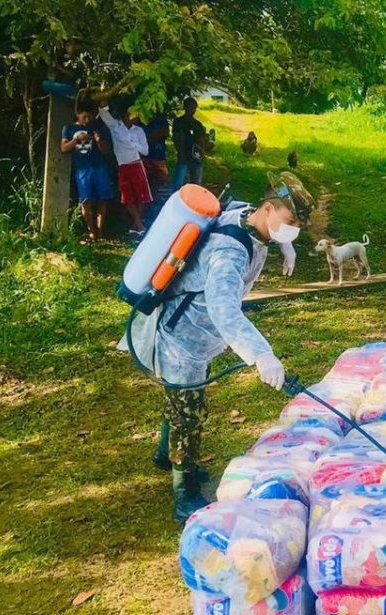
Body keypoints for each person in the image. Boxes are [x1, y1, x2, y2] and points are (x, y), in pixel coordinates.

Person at [131, 187, 301, 523]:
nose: (294, 229)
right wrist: (261, 355)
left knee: (181, 399)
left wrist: (285, 243)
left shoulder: (248, 217)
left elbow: (246, 214)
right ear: (268, 209)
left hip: (198, 333)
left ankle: (165, 455)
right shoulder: (229, 253)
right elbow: (225, 310)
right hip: (183, 338)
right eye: (290, 222)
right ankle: (185, 495)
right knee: (189, 414)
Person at [98, 99, 152, 238]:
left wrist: (134, 145)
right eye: (133, 114)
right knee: (127, 197)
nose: (136, 117)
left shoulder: (139, 131)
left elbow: (145, 151)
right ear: (126, 115)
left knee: (142, 197)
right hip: (123, 165)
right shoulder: (116, 126)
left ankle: (137, 226)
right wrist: (104, 102)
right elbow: (104, 114)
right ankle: (139, 225)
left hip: (136, 164)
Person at [61, 99, 113, 242]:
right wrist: (77, 140)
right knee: (85, 201)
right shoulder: (69, 128)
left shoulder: (96, 126)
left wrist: (98, 140)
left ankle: (100, 231)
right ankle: (91, 232)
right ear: (77, 114)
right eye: (84, 117)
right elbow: (64, 148)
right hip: (82, 169)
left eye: (89, 116)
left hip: (100, 167)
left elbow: (107, 151)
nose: (87, 120)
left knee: (103, 199)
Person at [172, 97, 206, 187]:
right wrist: (180, 151)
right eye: (190, 107)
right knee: (179, 184)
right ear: (185, 107)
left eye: (193, 107)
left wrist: (203, 151)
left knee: (196, 184)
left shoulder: (197, 124)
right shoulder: (179, 122)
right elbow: (176, 138)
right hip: (184, 155)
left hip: (196, 157)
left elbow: (202, 139)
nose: (192, 109)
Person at [143, 113, 170, 189]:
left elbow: (165, 133)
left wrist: (150, 137)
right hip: (144, 156)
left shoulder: (161, 119)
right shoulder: (141, 119)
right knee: (146, 180)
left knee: (162, 180)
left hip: (159, 154)